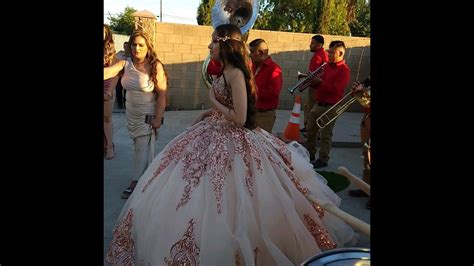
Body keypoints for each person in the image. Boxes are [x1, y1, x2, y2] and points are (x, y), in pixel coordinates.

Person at [106, 24, 355, 265]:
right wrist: (209, 114)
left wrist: (214, 102)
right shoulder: (224, 71)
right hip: (213, 130)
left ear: (225, 45)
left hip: (233, 137)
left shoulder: (235, 73)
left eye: (214, 40)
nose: (209, 45)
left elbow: (239, 118)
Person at [104, 30, 168, 199]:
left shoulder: (155, 66)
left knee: (142, 148)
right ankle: (147, 177)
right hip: (130, 114)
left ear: (148, 47)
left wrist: (157, 119)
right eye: (134, 44)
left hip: (147, 115)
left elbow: (162, 94)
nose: (136, 48)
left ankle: (136, 182)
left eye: (141, 45)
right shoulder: (125, 63)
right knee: (139, 147)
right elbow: (108, 72)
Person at [304, 41, 350, 168]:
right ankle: (309, 154)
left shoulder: (344, 70)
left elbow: (336, 89)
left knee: (325, 134)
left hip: (332, 106)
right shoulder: (327, 66)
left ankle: (323, 159)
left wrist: (320, 81)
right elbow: (320, 85)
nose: (328, 54)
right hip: (319, 103)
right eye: (328, 51)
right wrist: (312, 81)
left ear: (340, 53)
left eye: (332, 52)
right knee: (310, 129)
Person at [248, 38, 283, 133]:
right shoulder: (254, 66)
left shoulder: (274, 69)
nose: (250, 55)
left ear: (260, 52)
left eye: (252, 52)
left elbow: (273, 94)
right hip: (252, 112)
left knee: (260, 144)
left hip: (264, 115)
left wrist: (252, 90)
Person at [348, 78, 371, 209]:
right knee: (367, 156)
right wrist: (358, 93)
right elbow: (367, 103)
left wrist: (363, 92)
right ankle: (366, 187)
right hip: (367, 121)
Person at [301, 35, 328, 133]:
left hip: (316, 87)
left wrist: (311, 79)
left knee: (313, 109)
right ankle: (307, 126)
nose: (310, 45)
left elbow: (322, 73)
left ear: (319, 45)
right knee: (307, 106)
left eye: (312, 43)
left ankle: (313, 130)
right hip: (313, 85)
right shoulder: (318, 54)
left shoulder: (320, 55)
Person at [104, 24, 119, 160]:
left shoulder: (110, 52)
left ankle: (109, 146)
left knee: (107, 119)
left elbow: (116, 74)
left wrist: (109, 91)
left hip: (107, 91)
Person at [115, 41, 131, 109]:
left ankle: (126, 104)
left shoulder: (131, 55)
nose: (125, 48)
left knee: (126, 91)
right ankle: (119, 104)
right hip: (119, 75)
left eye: (127, 47)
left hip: (128, 76)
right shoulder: (120, 54)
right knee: (118, 90)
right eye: (124, 46)